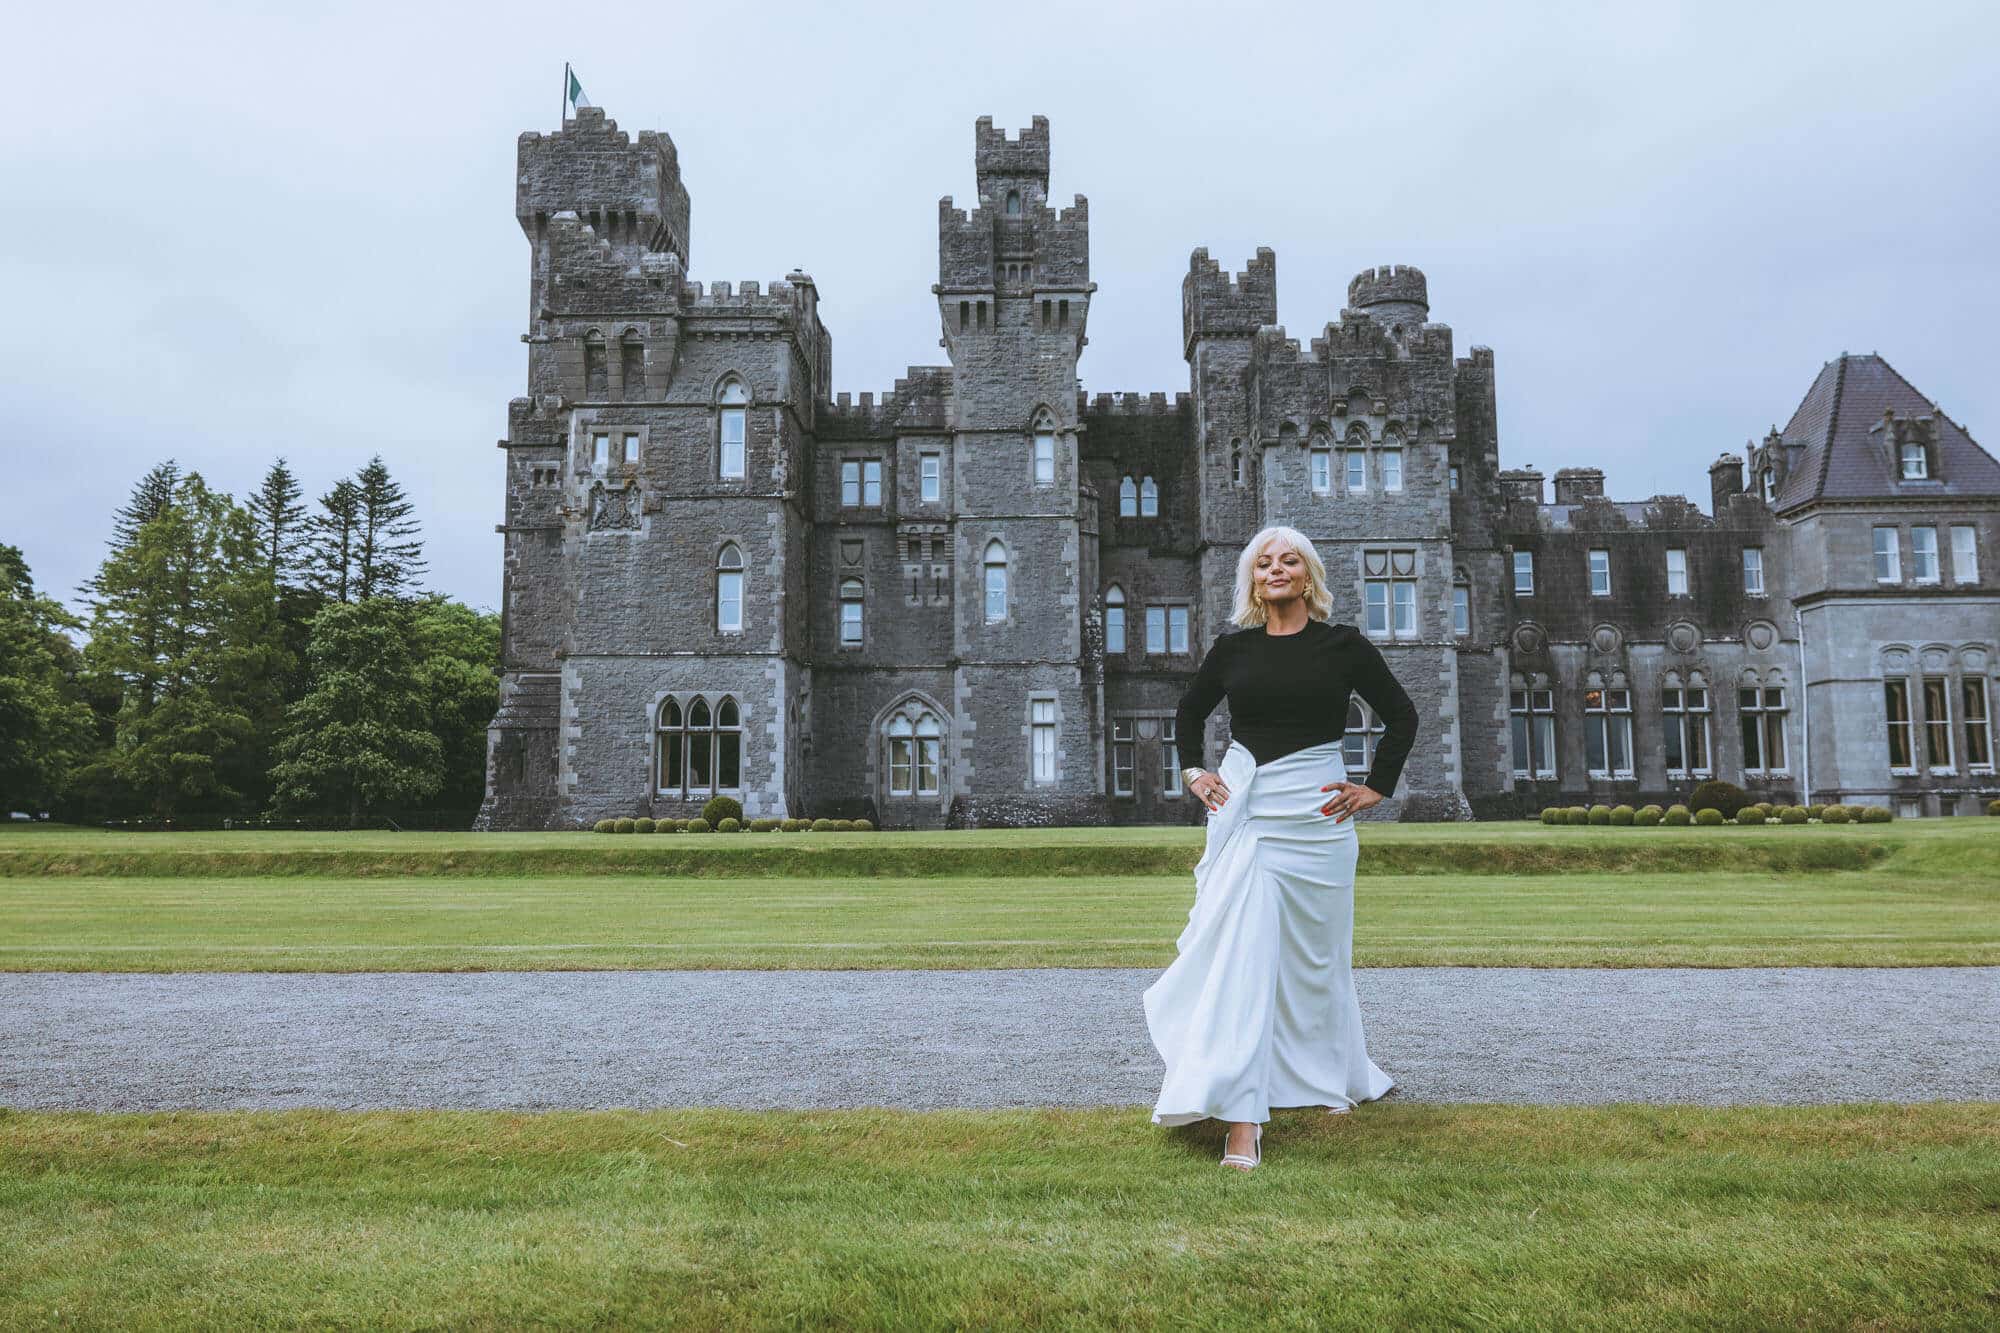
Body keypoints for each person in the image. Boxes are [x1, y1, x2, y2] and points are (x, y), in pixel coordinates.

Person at [1143, 525, 1419, 1170]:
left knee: (1314, 962)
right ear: (1252, 580)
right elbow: (1188, 714)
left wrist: (1376, 785)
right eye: (1263, 563)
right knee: (1243, 956)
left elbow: (1401, 715)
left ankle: (1323, 1075)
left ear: (1308, 575)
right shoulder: (1232, 650)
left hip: (1318, 817)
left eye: (1288, 561)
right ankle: (1244, 1119)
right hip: (1250, 811)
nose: (1275, 569)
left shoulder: (1343, 646)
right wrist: (1193, 771)